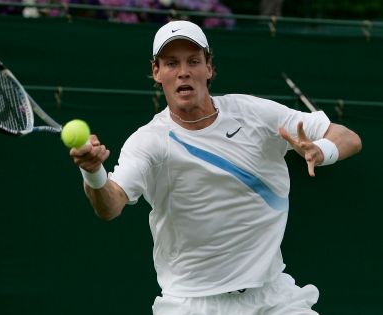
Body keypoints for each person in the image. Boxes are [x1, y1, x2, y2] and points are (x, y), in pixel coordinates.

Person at [70, 20, 362, 315]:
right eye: (172, 63)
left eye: (193, 61)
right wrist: (93, 171)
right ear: (157, 72)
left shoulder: (254, 114)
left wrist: (320, 150)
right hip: (193, 304)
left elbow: (348, 137)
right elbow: (110, 205)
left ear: (208, 68)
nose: (183, 71)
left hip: (273, 296)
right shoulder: (149, 142)